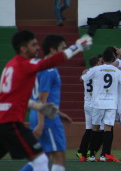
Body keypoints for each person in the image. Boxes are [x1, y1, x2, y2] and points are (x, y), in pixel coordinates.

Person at [0, 30, 91, 171]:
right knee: (41, 160)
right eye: (34, 45)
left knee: (41, 157)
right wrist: (78, 46)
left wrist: (38, 106)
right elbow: (51, 61)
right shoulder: (24, 65)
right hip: (10, 123)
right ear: (23, 49)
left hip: (2, 121)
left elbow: (12, 99)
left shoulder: (10, 65)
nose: (38, 48)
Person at [23, 34, 73, 171]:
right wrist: (41, 123)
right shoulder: (49, 70)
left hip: (44, 114)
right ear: (52, 49)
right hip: (46, 117)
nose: (65, 51)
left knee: (41, 158)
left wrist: (59, 112)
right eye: (62, 48)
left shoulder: (43, 67)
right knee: (59, 157)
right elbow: (41, 99)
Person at [81, 47, 121, 162]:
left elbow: (84, 78)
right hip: (111, 103)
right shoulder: (117, 70)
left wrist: (86, 73)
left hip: (98, 102)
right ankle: (104, 155)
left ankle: (92, 154)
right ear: (113, 58)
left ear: (103, 58)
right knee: (108, 128)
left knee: (95, 127)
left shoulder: (97, 69)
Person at [76, 55, 104, 162]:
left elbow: (81, 79)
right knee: (99, 129)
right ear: (97, 63)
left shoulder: (87, 72)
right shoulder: (98, 71)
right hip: (94, 103)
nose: (101, 63)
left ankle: (81, 151)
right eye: (100, 61)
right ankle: (90, 151)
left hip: (86, 102)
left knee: (89, 129)